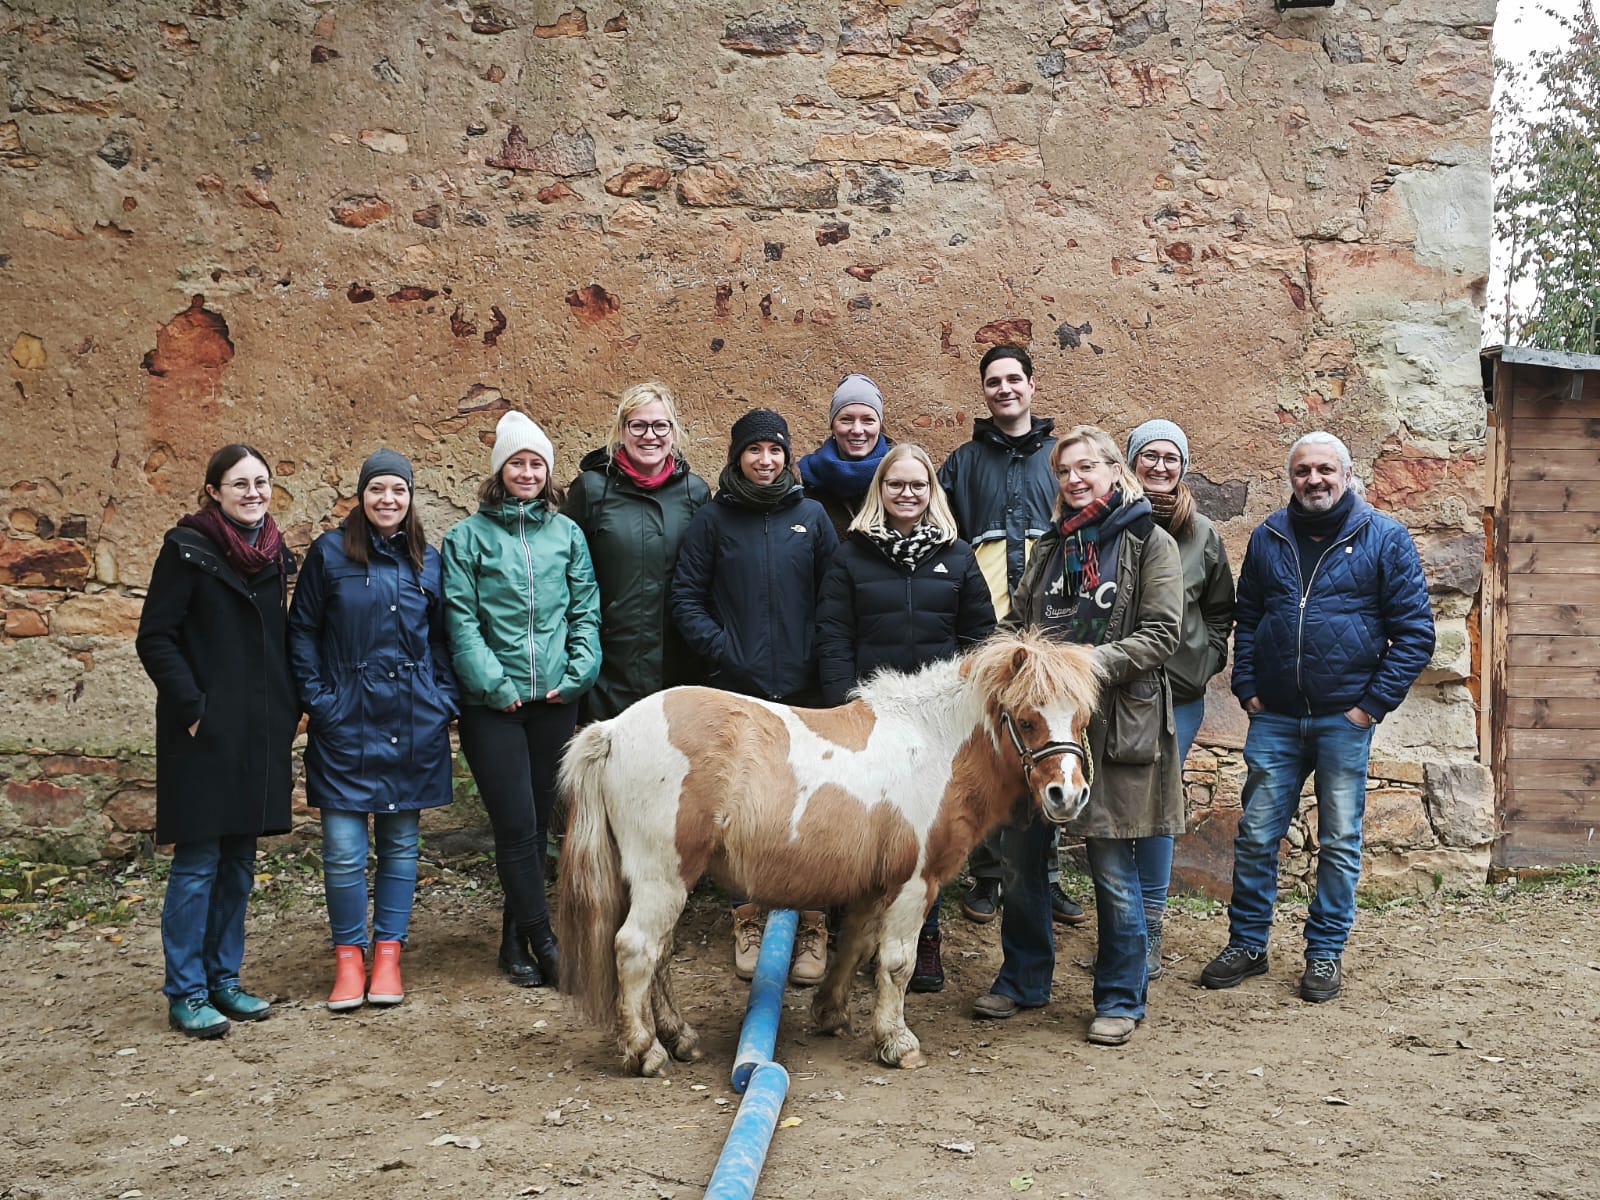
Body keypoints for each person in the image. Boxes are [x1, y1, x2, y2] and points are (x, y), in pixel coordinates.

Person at [1201, 432, 1433, 1003]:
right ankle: (1248, 945)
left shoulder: (1385, 539)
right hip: (1275, 719)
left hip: (1343, 721)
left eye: (1326, 470)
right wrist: (1249, 687)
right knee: (1256, 836)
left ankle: (1325, 953)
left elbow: (1415, 635)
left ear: (1347, 475)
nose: (1314, 480)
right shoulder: (1269, 536)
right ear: (1291, 479)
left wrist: (1368, 708)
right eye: (1303, 471)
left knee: (1340, 841)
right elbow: (1248, 617)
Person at [973, 425, 1183, 1048]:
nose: (1073, 480)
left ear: (1115, 472)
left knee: (1112, 867)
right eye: (1063, 471)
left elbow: (1162, 634)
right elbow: (1022, 620)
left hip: (1116, 725)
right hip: (1041, 734)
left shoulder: (1151, 542)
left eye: (1086, 468)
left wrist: (1087, 665)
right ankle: (1024, 979)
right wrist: (1002, 653)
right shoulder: (1050, 549)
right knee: (1022, 862)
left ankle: (1121, 996)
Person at [815, 443, 996, 992]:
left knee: (925, 838)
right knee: (860, 829)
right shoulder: (851, 556)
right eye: (897, 484)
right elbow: (833, 636)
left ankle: (924, 939)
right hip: (869, 722)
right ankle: (852, 942)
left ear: (932, 492)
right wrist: (845, 706)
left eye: (918, 485)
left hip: (937, 730)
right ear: (880, 491)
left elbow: (981, 642)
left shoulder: (958, 556)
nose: (908, 493)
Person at [671, 408, 840, 985]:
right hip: (737, 692)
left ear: (787, 456)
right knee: (744, 809)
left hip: (804, 693)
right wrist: (725, 652)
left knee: (810, 807)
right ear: (737, 456)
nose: (765, 461)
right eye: (754, 451)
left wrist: (815, 656)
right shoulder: (713, 520)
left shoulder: (812, 517)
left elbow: (832, 598)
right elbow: (686, 600)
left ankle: (812, 923)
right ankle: (749, 916)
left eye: (774, 450)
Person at [135, 444, 298, 1038]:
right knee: (199, 861)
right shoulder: (187, 550)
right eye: (239, 483)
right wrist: (194, 709)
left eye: (261, 481)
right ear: (213, 492)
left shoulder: (274, 553)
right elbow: (156, 638)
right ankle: (186, 991)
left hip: (259, 730)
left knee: (238, 863)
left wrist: (287, 709)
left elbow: (277, 639)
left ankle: (225, 980)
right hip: (202, 733)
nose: (253, 492)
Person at [288, 450, 458, 1011]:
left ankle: (388, 954)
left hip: (412, 720)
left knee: (402, 846)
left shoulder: (427, 561)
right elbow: (304, 630)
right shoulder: (330, 554)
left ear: (411, 499)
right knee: (341, 850)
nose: (388, 500)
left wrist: (442, 699)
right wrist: (321, 700)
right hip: (347, 719)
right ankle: (348, 957)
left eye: (399, 491)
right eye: (378, 490)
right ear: (361, 496)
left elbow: (442, 638)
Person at [443, 411, 601, 988]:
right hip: (495, 706)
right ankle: (544, 939)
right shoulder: (466, 539)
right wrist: (496, 685)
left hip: (557, 699)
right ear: (499, 471)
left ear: (549, 471)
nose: (528, 472)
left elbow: (585, 610)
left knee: (539, 824)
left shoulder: (567, 535)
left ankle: (514, 941)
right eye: (518, 463)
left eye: (537, 463)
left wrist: (580, 672)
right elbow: (461, 621)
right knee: (514, 823)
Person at [937, 344, 1084, 927]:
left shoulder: (1059, 457)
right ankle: (987, 876)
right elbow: (946, 534)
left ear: (1032, 385)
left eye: (1014, 379)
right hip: (986, 631)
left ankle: (1047, 879)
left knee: (1049, 753)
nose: (1004, 389)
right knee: (991, 756)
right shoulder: (963, 463)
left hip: (1051, 633)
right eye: (993, 381)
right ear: (984, 391)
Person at [1124, 420, 1236, 979]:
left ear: (1184, 465)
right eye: (1150, 456)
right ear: (1131, 462)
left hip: (1179, 693)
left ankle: (1149, 933)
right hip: (1120, 688)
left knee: (1158, 806)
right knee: (1120, 804)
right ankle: (1123, 930)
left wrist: (1205, 659)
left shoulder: (1203, 534)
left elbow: (1220, 609)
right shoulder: (1112, 524)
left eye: (1171, 457)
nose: (1161, 466)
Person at [563, 382, 712, 723]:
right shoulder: (591, 489)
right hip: (608, 663)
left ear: (673, 432)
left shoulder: (695, 493)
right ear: (621, 430)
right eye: (638, 425)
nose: (650, 436)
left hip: (677, 663)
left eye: (660, 426)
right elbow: (566, 572)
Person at [797, 372, 893, 539]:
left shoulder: (903, 478)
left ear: (879, 425)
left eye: (868, 420)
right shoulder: (804, 482)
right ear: (832, 426)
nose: (857, 430)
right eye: (846, 419)